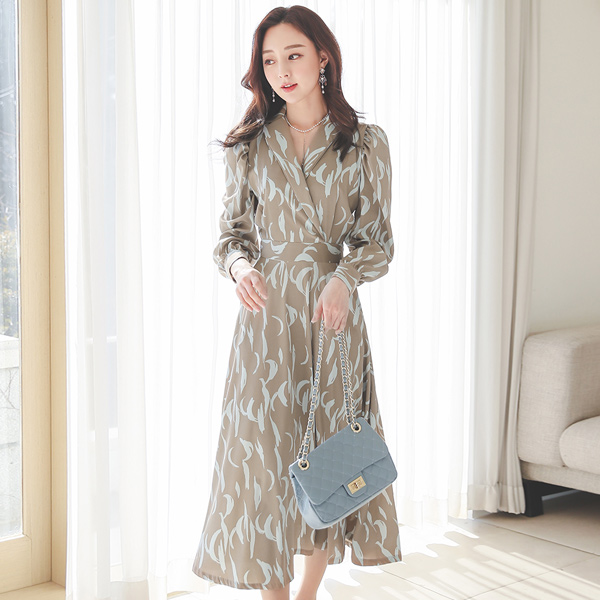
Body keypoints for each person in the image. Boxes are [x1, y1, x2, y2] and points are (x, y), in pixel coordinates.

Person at [191, 5, 402, 599]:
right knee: (264, 461)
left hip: (332, 320)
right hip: (266, 323)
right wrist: (240, 268)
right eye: (269, 60)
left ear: (322, 58)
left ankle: (306, 593)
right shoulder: (248, 147)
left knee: (329, 454)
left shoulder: (364, 144)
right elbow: (230, 237)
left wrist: (344, 279)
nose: (281, 71)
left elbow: (378, 242)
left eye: (293, 55)